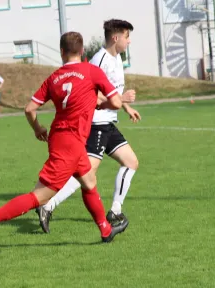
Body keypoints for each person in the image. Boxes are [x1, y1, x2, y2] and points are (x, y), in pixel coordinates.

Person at [0, 32, 126, 250]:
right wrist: (99, 104)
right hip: (72, 142)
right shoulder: (92, 71)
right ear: (82, 52)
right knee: (39, 197)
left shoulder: (54, 77)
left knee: (89, 182)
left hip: (59, 137)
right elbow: (117, 102)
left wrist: (37, 129)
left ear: (61, 52)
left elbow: (29, 109)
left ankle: (105, 230)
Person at [37, 19, 139, 233]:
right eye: (127, 36)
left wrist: (126, 107)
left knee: (130, 162)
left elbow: (111, 91)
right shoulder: (99, 60)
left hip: (108, 122)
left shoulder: (117, 58)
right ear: (116, 37)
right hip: (95, 124)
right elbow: (90, 92)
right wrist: (121, 98)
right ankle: (47, 204)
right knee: (85, 175)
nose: (129, 41)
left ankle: (115, 210)